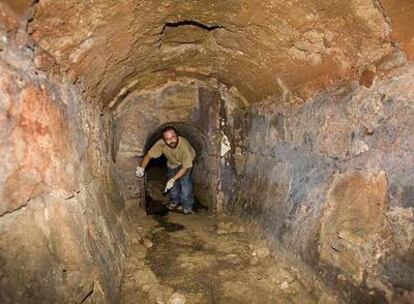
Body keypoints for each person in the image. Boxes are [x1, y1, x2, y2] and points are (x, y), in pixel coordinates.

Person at [136, 126, 196, 214]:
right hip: (172, 163)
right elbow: (148, 155)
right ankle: (175, 202)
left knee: (185, 183)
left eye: (173, 137)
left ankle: (187, 207)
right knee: (172, 186)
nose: (171, 141)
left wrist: (173, 179)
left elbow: (184, 167)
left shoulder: (183, 144)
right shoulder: (161, 144)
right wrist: (141, 168)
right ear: (163, 140)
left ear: (177, 135)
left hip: (186, 162)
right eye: (167, 139)